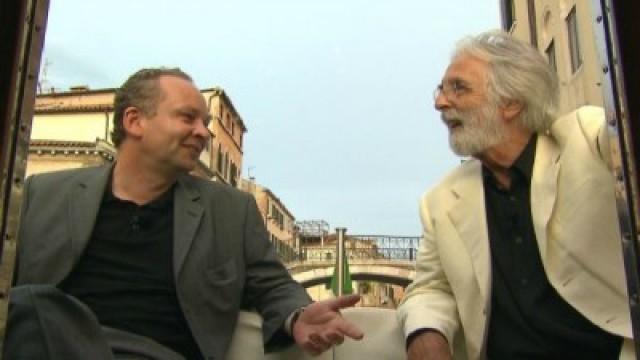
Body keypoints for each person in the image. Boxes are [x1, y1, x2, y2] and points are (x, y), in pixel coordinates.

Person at [6, 67, 363, 360]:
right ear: (135, 121)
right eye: (187, 118)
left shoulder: (230, 211)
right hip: (47, 345)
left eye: (206, 122)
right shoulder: (41, 193)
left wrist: (298, 316)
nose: (202, 133)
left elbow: (272, 285)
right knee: (33, 306)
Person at [397, 30, 634, 360]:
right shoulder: (441, 200)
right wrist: (425, 333)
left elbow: (621, 139)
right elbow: (429, 287)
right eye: (441, 89)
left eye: (458, 88)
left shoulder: (587, 138)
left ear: (511, 104)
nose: (440, 102)